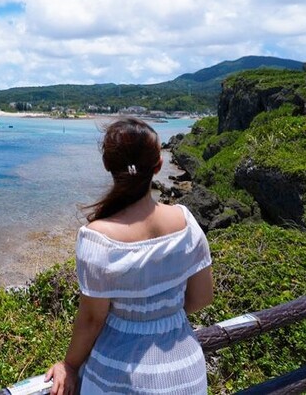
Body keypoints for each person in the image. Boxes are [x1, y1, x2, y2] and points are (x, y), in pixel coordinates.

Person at [45, 117, 213, 394]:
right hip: (186, 373)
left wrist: (70, 366)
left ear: (107, 165)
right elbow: (202, 297)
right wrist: (160, 315)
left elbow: (92, 319)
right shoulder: (185, 222)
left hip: (120, 378)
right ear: (158, 166)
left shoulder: (98, 238)